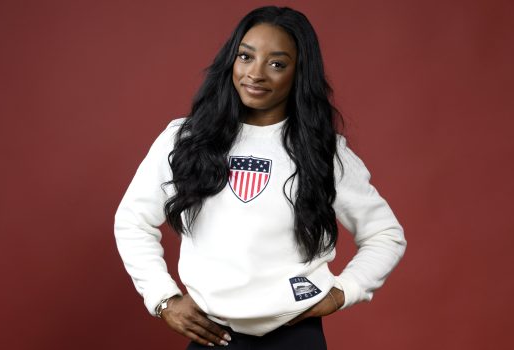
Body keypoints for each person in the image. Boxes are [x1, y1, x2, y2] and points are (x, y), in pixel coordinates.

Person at [114, 6, 406, 349]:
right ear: (231, 60)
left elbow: (386, 234)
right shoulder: (186, 138)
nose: (256, 73)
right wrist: (163, 299)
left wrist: (344, 291)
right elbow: (132, 220)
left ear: (300, 73)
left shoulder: (321, 150)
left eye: (277, 63)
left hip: (295, 337)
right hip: (213, 335)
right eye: (245, 56)